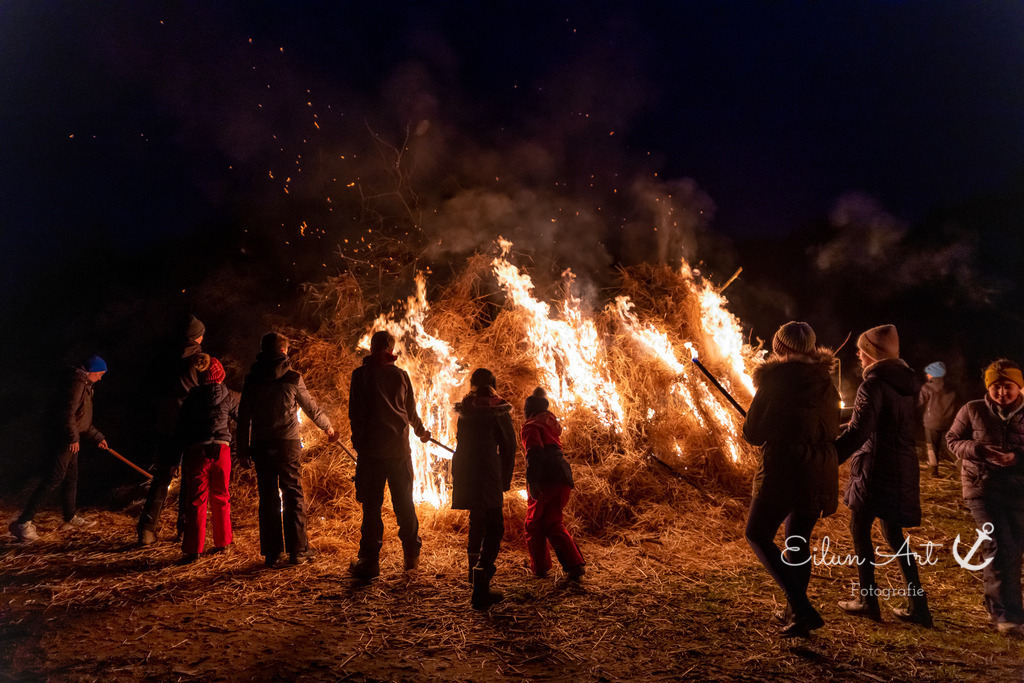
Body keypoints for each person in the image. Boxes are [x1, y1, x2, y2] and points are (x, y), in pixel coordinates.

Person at [742, 322, 840, 638]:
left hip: (785, 469)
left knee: (757, 534)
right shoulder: (827, 382)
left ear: (781, 348)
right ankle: (796, 612)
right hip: (819, 469)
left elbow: (753, 434)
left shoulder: (775, 381)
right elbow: (831, 427)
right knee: (797, 540)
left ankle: (801, 607)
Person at [835, 324, 932, 627]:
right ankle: (919, 606)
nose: (859, 357)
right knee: (894, 535)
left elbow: (859, 430)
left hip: (875, 469)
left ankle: (868, 599)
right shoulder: (906, 384)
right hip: (901, 465)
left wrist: (829, 457)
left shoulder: (873, 384)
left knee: (859, 527)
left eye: (862, 351)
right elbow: (877, 419)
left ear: (873, 354)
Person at [238, 332, 337, 567]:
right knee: (293, 494)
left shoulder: (252, 379)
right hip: (287, 444)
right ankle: (298, 551)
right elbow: (311, 408)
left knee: (269, 497)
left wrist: (242, 450)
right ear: (283, 351)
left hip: (261, 445)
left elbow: (243, 418)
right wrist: (328, 428)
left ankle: (273, 554)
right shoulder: (293, 378)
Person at [946, 359, 1024, 637]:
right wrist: (979, 450)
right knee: (998, 545)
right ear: (988, 387)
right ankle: (1007, 615)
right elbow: (952, 439)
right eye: (996, 386)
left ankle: (999, 607)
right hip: (981, 488)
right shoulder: (972, 409)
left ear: (1019, 387)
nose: (1002, 392)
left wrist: (1017, 457)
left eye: (1008, 386)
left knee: (1013, 549)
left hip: (1017, 490)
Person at [347, 330, 431, 580]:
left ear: (372, 348)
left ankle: (370, 562)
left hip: (372, 453)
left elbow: (356, 413)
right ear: (391, 350)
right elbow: (410, 411)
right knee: (404, 502)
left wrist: (358, 442)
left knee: (372, 507)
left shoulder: (360, 375)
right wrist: (421, 431)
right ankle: (411, 556)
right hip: (398, 451)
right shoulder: (401, 375)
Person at [9, 355, 111, 542]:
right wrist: (72, 437)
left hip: (73, 438)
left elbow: (82, 420)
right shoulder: (77, 383)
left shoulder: (86, 385)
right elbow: (67, 413)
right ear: (93, 371)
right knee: (55, 478)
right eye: (100, 374)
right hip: (64, 438)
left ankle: (70, 516)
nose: (101, 378)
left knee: (71, 476)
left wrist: (98, 437)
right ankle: (23, 523)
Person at [451, 368, 517, 610]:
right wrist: (505, 480)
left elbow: (461, 439)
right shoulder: (497, 409)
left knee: (476, 520)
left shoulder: (466, 409)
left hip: (467, 470)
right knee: (495, 526)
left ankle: (472, 574)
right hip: (487, 473)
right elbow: (509, 446)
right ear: (493, 384)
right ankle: (482, 581)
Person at [137, 314, 206, 546]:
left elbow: (148, 389)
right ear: (197, 337)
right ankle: (185, 529)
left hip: (166, 424)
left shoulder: (162, 359)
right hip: (191, 424)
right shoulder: (199, 360)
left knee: (162, 476)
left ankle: (146, 530)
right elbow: (208, 391)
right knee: (189, 476)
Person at [175, 356, 239, 564]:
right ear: (220, 375)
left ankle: (194, 550)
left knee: (196, 500)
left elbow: (182, 427)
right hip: (221, 450)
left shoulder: (191, 398)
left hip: (197, 451)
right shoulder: (229, 395)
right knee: (222, 496)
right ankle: (223, 542)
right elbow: (242, 417)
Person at [521, 387, 585, 581]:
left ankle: (540, 568)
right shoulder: (550, 423)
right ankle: (574, 565)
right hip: (562, 476)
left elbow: (535, 454)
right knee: (552, 522)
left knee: (533, 525)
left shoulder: (531, 426)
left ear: (528, 410)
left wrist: (533, 482)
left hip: (546, 478)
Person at [919, 361, 957, 478]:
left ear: (933, 374)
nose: (927, 375)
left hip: (932, 423)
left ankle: (933, 472)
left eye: (928, 373)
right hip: (948, 421)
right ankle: (963, 465)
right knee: (950, 445)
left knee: (932, 447)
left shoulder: (927, 387)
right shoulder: (951, 387)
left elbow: (918, 402)